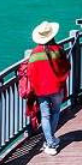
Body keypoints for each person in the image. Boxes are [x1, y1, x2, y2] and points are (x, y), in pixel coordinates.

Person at [28, 21, 71, 156]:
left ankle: (50, 143)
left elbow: (31, 73)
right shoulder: (58, 50)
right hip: (56, 87)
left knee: (45, 116)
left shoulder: (34, 53)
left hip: (41, 90)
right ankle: (50, 141)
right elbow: (66, 67)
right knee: (56, 112)